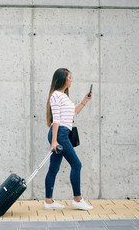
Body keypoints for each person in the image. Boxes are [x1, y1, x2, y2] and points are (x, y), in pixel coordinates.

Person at [44, 68, 93, 211]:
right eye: (69, 77)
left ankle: (49, 201)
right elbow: (57, 120)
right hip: (59, 134)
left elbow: (73, 114)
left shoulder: (64, 96)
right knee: (76, 165)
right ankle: (77, 199)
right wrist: (54, 141)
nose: (71, 80)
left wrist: (84, 101)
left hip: (62, 133)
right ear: (63, 79)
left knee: (54, 168)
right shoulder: (56, 95)